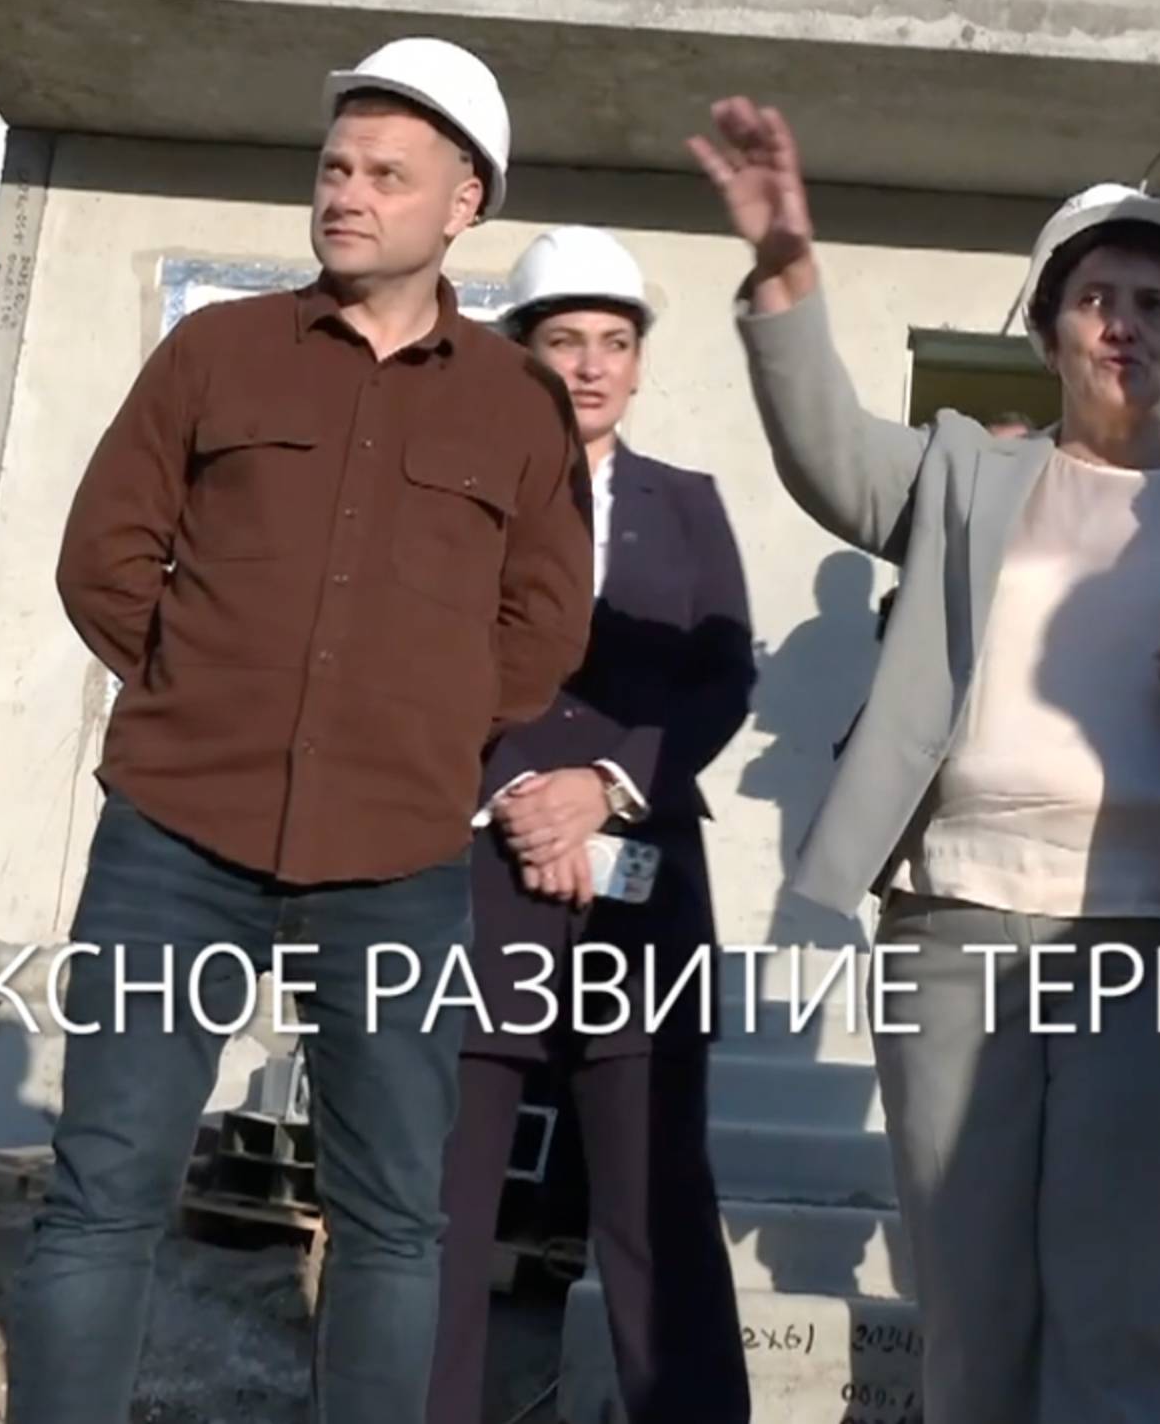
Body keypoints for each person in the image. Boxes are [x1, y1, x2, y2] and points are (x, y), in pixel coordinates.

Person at [690, 96, 1160, 1424]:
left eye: (1155, 306)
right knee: (976, 1315)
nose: (1125, 323)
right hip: (957, 932)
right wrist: (784, 273)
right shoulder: (965, 475)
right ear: (1051, 328)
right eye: (1096, 298)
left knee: (1135, 1322)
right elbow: (829, 457)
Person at [22, 37, 597, 1424]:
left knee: (395, 1219)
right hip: (177, 836)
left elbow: (544, 621)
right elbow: (105, 556)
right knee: (105, 1194)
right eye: (336, 167)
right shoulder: (216, 354)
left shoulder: (519, 404)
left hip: (396, 860)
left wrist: (424, 725)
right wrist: (204, 690)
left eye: (387, 175)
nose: (347, 193)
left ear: (463, 202)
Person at [430, 225, 757, 1424]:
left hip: (644, 885)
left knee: (658, 1203)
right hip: (478, 871)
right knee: (442, 1210)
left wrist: (605, 786)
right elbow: (418, 661)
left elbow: (722, 678)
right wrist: (520, 792)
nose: (590, 364)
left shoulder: (688, 505)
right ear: (518, 353)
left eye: (614, 341)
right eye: (564, 339)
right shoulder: (452, 500)